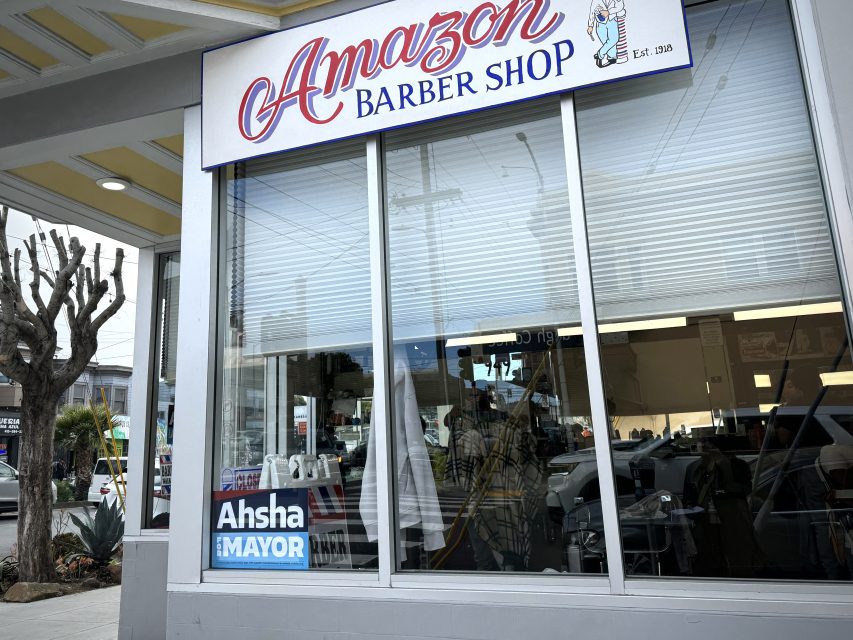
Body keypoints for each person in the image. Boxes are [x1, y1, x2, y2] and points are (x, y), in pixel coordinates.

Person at [587, 1, 626, 68]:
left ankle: (600, 55)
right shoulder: (595, 1)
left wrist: (608, 12)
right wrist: (590, 26)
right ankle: (612, 57)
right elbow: (592, 12)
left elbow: (620, 6)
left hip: (612, 20)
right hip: (600, 23)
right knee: (605, 41)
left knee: (614, 39)